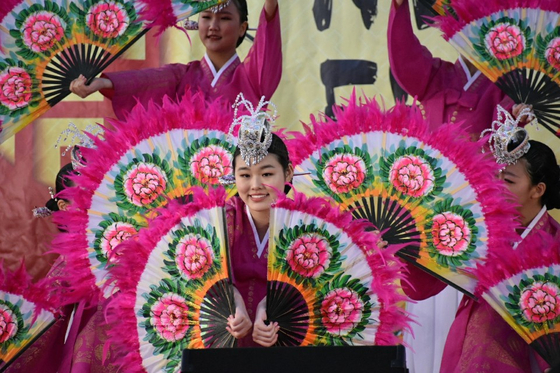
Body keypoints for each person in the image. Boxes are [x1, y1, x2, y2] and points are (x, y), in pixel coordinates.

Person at [403, 110, 560, 372]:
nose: (496, 187)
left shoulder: (555, 244)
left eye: (508, 180)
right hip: (466, 351)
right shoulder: (476, 229)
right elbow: (420, 289)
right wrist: (410, 247)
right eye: (494, 177)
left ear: (538, 190)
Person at [69, 0, 281, 120]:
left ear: (243, 28)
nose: (213, 26)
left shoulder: (253, 77)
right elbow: (144, 80)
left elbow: (267, 39)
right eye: (206, 17)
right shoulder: (181, 76)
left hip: (240, 186)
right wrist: (102, 83)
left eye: (225, 18)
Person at [387, 0, 532, 137]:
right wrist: (399, 5)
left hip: (479, 163)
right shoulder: (435, 76)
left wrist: (517, 115)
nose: (472, 36)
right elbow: (404, 54)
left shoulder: (510, 84)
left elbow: (501, 139)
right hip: (433, 161)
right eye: (465, 28)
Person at [223, 94, 293, 347]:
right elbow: (200, 277)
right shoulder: (219, 221)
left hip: (289, 342)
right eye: (244, 174)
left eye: (266, 173)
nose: (255, 186)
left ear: (287, 173)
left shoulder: (307, 225)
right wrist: (233, 300)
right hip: (226, 343)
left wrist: (270, 303)